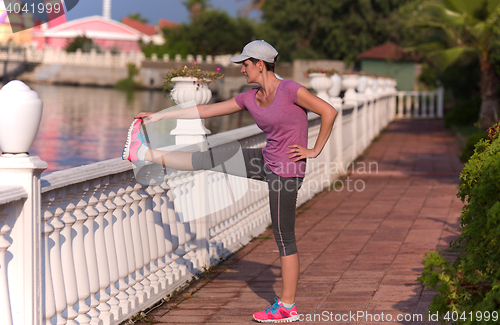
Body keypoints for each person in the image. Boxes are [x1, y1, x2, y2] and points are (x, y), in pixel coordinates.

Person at [122, 40, 337, 323]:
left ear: (260, 65)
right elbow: (205, 111)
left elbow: (329, 111)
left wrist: (314, 149)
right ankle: (144, 152)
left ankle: (288, 307)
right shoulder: (251, 97)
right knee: (211, 156)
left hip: (286, 171)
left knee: (284, 236)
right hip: (265, 158)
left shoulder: (291, 90)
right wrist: (158, 117)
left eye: (245, 65)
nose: (242, 70)